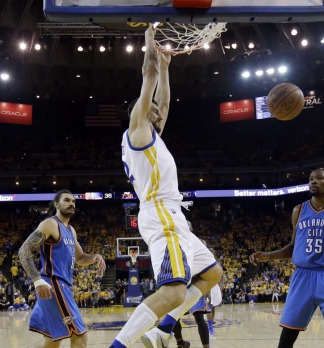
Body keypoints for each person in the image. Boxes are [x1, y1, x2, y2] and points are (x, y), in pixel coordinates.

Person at [111, 26, 223, 348]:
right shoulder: (137, 133)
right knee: (173, 290)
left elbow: (164, 99)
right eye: (153, 110)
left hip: (172, 214)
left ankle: (162, 332)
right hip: (161, 212)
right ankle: (119, 345)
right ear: (141, 112)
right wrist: (149, 46)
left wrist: (166, 68)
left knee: (212, 273)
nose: (161, 113)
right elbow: (148, 81)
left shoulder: (151, 137)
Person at [250, 168, 324, 348]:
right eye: (311, 179)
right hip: (302, 277)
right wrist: (268, 256)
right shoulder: (299, 210)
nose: (313, 182)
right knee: (287, 336)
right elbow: (293, 247)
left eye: (319, 178)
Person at [18, 189, 106, 348]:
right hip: (53, 284)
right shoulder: (50, 224)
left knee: (53, 339)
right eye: (67, 200)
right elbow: (24, 251)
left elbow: (80, 258)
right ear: (57, 204)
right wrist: (37, 280)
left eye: (73, 201)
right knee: (79, 334)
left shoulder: (71, 230)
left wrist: (95, 257)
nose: (71, 203)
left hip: (62, 286)